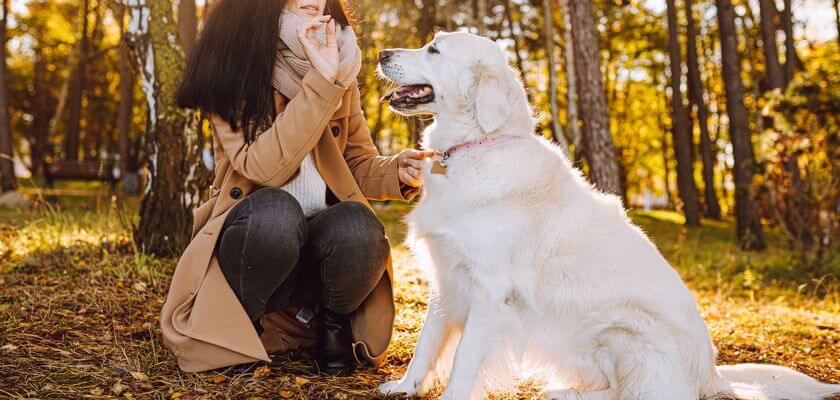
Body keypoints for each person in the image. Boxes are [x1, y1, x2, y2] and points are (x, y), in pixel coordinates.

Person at [160, 0, 433, 376]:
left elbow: (355, 163)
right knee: (277, 212)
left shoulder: (342, 63)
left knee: (359, 225)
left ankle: (330, 329)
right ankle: (242, 327)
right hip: (254, 244)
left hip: (318, 254)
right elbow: (262, 168)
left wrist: (398, 171)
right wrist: (321, 83)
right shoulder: (230, 61)